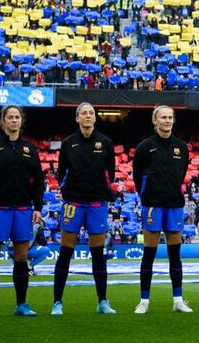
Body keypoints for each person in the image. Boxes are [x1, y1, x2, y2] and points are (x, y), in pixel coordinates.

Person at [0, 104, 45, 318]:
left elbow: (39, 181)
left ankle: (21, 304)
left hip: (24, 209)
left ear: (21, 121)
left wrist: (38, 206)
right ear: (3, 121)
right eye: (10, 117)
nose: (14, 120)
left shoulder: (29, 148)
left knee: (21, 255)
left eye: (17, 117)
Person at [52, 102, 117, 315]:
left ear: (95, 118)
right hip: (74, 204)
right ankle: (57, 302)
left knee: (98, 254)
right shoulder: (69, 143)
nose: (88, 116)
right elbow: (62, 173)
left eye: (91, 113)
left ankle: (102, 302)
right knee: (65, 253)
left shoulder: (105, 142)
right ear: (77, 118)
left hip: (97, 204)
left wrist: (104, 191)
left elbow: (110, 173)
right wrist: (68, 192)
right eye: (84, 113)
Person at [132, 105, 192, 314]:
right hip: (152, 205)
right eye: (163, 117)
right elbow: (137, 177)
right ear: (154, 121)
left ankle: (178, 300)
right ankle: (144, 301)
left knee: (175, 255)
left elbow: (181, 173)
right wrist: (149, 195)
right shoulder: (144, 147)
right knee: (149, 254)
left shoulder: (181, 147)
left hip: (174, 204)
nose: (167, 121)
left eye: (170, 117)